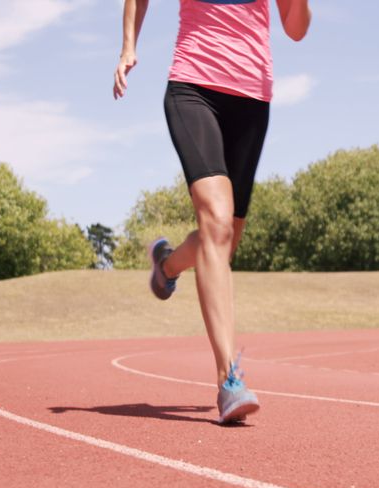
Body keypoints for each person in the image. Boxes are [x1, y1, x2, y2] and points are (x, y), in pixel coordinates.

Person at [113, 0, 311, 424]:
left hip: (252, 102)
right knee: (217, 224)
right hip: (193, 87)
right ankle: (229, 380)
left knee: (224, 242)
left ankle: (167, 265)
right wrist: (129, 45)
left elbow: (295, 29)